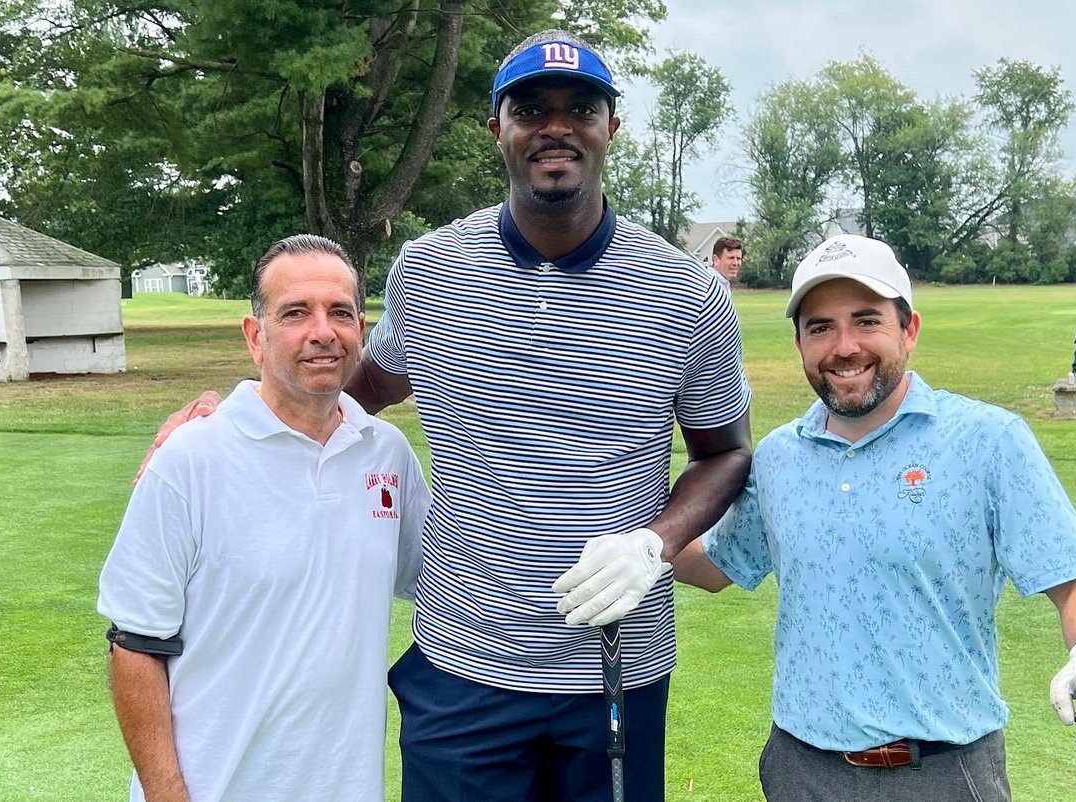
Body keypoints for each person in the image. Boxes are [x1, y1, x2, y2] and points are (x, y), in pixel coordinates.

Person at [141, 30, 751, 802]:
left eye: (580, 109)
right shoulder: (430, 272)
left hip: (615, 669)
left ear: (611, 129)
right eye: (531, 109)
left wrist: (654, 543)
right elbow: (359, 386)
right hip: (460, 669)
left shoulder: (685, 292)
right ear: (498, 130)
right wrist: (236, 405)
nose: (555, 126)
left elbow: (724, 451)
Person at [674, 234, 1076, 802]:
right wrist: (628, 533)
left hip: (942, 774)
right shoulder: (779, 456)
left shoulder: (986, 440)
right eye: (820, 327)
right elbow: (716, 565)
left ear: (910, 330)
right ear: (799, 342)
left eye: (867, 320)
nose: (843, 346)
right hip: (798, 769)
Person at [99, 235, 429, 802]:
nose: (322, 331)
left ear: (362, 332)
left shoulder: (386, 453)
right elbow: (134, 645)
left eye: (341, 313)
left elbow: (446, 575)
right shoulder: (189, 459)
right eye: (295, 313)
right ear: (257, 337)